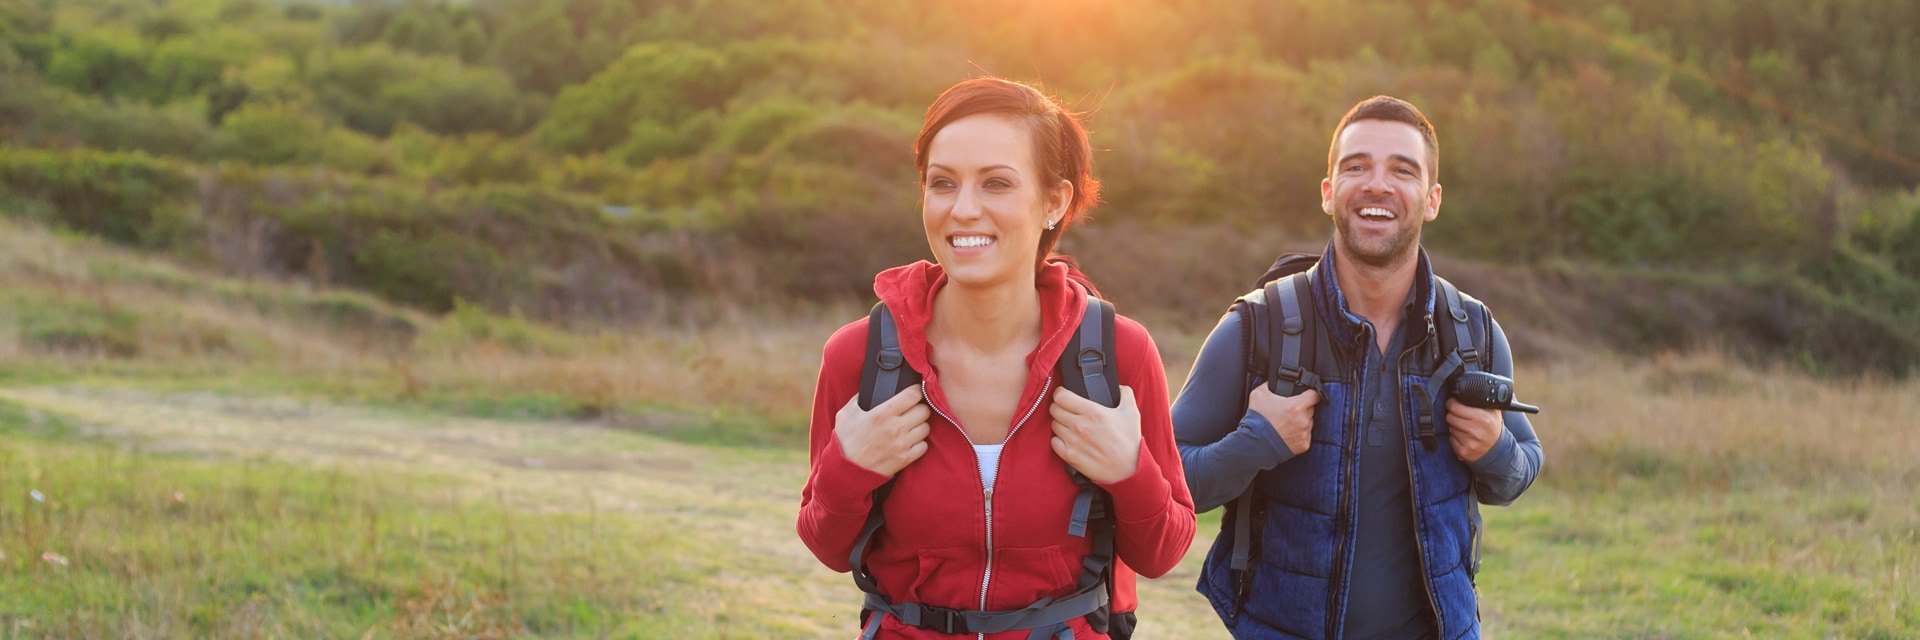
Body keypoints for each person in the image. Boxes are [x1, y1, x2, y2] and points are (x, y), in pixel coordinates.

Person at [796, 77, 1196, 640]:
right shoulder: (859, 357)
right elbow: (826, 544)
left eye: (997, 184)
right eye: (942, 183)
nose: (963, 210)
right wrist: (848, 471)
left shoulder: (1116, 354)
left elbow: (1163, 553)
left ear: (1055, 201)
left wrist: (1131, 472)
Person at [1173, 96, 1544, 640]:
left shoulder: (1473, 331)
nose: (1377, 184)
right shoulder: (1257, 327)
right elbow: (1168, 481)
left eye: (1403, 170)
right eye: (1356, 166)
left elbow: (1520, 469)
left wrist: (1496, 450)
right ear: (1328, 192)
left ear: (1432, 199)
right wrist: (1255, 442)